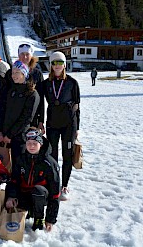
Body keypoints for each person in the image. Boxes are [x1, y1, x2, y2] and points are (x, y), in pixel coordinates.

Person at [5, 127, 60, 232]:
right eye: (29, 143)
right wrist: (11, 197)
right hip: (24, 194)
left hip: (41, 196)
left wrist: (50, 219)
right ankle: (27, 210)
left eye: (35, 143)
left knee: (38, 190)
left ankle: (38, 218)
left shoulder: (49, 163)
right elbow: (14, 180)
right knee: (8, 190)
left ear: (41, 144)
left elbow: (55, 194)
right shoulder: (21, 159)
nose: (31, 146)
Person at [42, 51, 80, 201]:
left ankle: (64, 185)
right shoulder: (46, 83)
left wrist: (77, 128)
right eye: (54, 63)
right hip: (52, 123)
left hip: (69, 124)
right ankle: (54, 183)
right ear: (50, 65)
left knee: (67, 154)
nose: (57, 66)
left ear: (64, 64)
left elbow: (77, 106)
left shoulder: (72, 82)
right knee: (52, 155)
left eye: (60, 62)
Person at [2, 60, 40, 163]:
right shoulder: (12, 91)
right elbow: (5, 112)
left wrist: (10, 135)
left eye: (17, 73)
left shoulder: (32, 93)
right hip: (7, 135)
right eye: (13, 73)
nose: (14, 75)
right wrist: (3, 132)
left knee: (19, 165)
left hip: (20, 137)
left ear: (24, 73)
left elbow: (26, 118)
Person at [5, 43, 44, 131]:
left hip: (32, 115)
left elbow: (41, 97)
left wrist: (41, 120)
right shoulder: (10, 73)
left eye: (27, 54)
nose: (25, 57)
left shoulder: (37, 74)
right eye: (22, 54)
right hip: (14, 115)